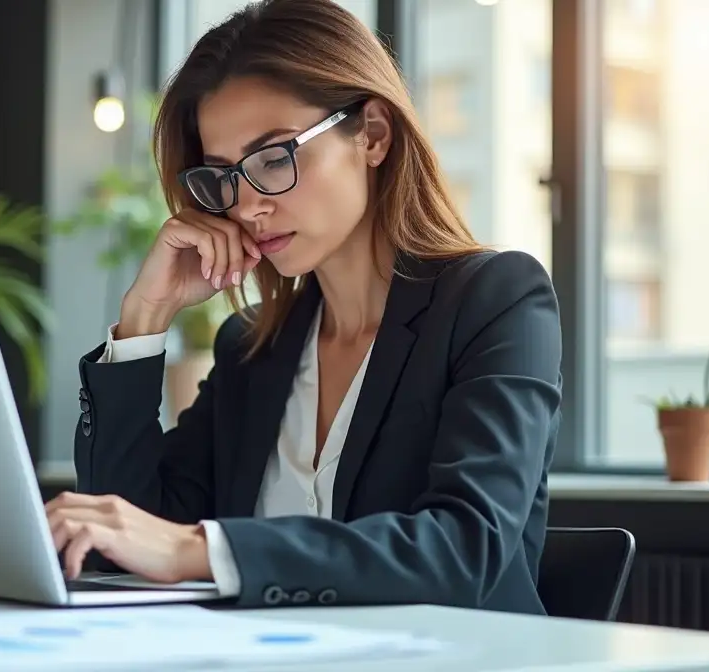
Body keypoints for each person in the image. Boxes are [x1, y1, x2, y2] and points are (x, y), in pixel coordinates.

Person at [45, 0, 562, 614]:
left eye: (273, 159)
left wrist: (202, 550)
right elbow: (120, 544)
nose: (246, 205)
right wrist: (143, 323)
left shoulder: (495, 300)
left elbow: (463, 551)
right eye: (224, 176)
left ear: (372, 134)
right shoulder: (253, 347)